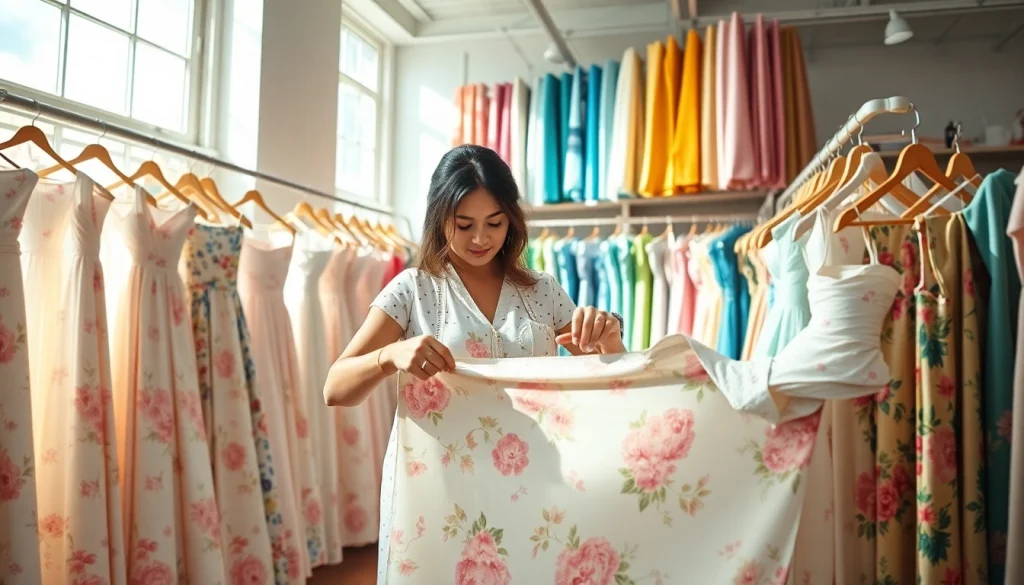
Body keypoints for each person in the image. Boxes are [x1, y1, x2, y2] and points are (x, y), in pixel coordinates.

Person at [323, 144, 626, 408]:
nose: (480, 239)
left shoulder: (542, 289)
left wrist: (609, 339)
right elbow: (334, 389)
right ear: (438, 220)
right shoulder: (411, 289)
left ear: (511, 222)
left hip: (537, 469)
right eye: (465, 225)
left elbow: (616, 386)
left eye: (494, 224)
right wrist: (389, 356)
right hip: (440, 472)